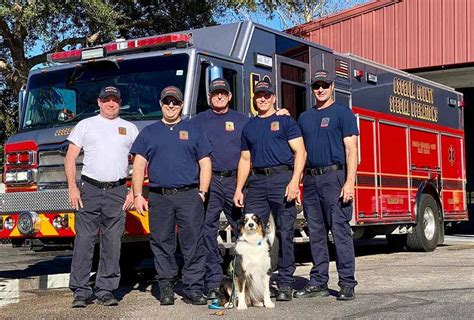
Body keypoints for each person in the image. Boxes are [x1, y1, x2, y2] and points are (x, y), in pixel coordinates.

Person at [131, 86, 212, 306]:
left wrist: (202, 192)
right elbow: (139, 165)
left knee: (193, 243)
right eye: (167, 101)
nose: (171, 106)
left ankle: (194, 288)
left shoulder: (193, 130)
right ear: (160, 104)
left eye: (175, 102)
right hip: (159, 197)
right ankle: (166, 287)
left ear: (181, 105)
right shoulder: (149, 132)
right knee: (161, 242)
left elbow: (205, 163)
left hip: (189, 195)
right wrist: (138, 194)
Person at [233, 80, 306, 301]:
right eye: (259, 96)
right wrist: (239, 189)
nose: (262, 99)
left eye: (266, 95)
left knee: (284, 232)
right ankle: (251, 285)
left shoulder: (286, 121)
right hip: (256, 183)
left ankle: (284, 283)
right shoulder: (250, 126)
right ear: (254, 99)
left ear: (274, 98)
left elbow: (300, 152)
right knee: (251, 234)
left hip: (282, 180)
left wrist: (294, 182)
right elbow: (245, 159)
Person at [65, 85, 138, 308]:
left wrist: (134, 192)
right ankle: (80, 290)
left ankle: (105, 290)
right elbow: (70, 159)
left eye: (115, 99)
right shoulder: (85, 125)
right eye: (106, 99)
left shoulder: (130, 128)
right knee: (85, 240)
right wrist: (73, 187)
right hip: (90, 190)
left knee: (112, 242)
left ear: (120, 102)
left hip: (117, 191)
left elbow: (141, 161)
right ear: (99, 102)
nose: (111, 103)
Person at [294, 70, 359, 301]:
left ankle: (347, 283)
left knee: (340, 232)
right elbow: (300, 153)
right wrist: (298, 182)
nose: (320, 89)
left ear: (332, 87)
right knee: (316, 234)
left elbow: (352, 150)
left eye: (324, 85)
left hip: (335, 178)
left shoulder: (344, 114)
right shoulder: (304, 118)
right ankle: (319, 281)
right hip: (311, 180)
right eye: (316, 86)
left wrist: (349, 182)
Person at [192, 78, 248, 299]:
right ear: (209, 97)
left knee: (243, 229)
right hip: (210, 181)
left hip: (235, 181)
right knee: (207, 230)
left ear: (230, 96)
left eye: (223, 93)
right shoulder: (197, 122)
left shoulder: (243, 120)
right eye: (215, 93)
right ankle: (214, 279)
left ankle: (244, 276)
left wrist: (280, 112)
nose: (219, 96)